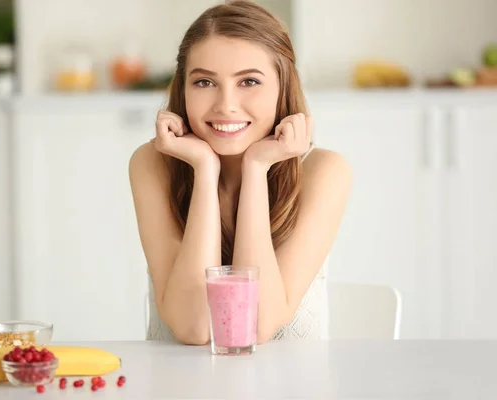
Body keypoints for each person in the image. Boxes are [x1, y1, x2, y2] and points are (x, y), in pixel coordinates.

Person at [129, 0, 351, 345]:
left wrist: (257, 168)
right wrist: (204, 170)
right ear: (183, 89)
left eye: (248, 81)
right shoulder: (153, 163)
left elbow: (256, 327)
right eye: (204, 83)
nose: (226, 105)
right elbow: (194, 327)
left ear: (283, 87)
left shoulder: (323, 171)